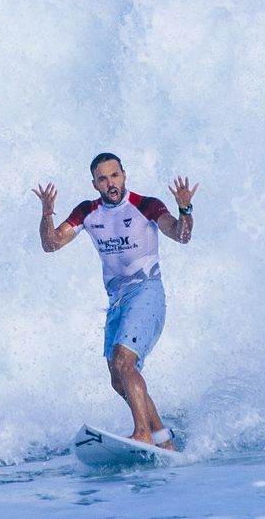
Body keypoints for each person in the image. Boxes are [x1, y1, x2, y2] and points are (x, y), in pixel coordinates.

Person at [33, 152, 197, 451]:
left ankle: (142, 434)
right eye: (103, 178)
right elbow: (51, 245)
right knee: (119, 379)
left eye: (115, 175)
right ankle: (163, 438)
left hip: (146, 292)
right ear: (94, 183)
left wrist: (184, 208)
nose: (110, 183)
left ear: (124, 175)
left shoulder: (146, 206)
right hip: (117, 300)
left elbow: (180, 235)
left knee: (125, 361)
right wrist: (47, 214)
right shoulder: (87, 212)